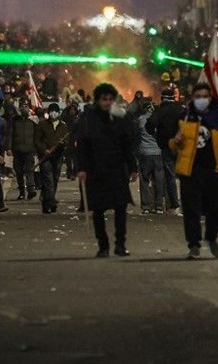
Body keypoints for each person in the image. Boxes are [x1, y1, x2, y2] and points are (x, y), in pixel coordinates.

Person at [167, 83, 218, 259]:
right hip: (190, 171)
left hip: (213, 172)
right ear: (192, 98)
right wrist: (177, 140)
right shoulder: (184, 118)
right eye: (198, 96)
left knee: (215, 208)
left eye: (205, 96)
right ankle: (194, 244)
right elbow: (172, 144)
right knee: (191, 210)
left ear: (210, 98)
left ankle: (211, 237)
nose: (202, 100)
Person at [75, 83, 137, 257]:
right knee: (98, 209)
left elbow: (127, 145)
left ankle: (120, 244)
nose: (107, 103)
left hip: (117, 169)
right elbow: (82, 145)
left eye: (110, 99)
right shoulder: (88, 118)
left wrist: (132, 168)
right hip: (96, 170)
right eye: (104, 99)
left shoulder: (120, 118)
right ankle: (103, 245)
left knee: (120, 208)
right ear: (97, 100)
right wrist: (82, 168)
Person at [146, 88, 182, 212]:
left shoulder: (160, 110)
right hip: (182, 146)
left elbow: (150, 124)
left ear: (162, 98)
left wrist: (156, 136)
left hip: (166, 146)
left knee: (170, 175)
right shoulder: (181, 109)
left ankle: (174, 203)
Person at [34, 102, 69, 214]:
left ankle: (47, 201)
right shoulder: (42, 125)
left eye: (55, 111)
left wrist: (63, 144)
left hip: (58, 157)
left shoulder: (63, 126)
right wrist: (45, 150)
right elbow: (37, 140)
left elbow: (67, 140)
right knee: (48, 179)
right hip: (45, 157)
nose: (53, 113)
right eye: (51, 111)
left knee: (54, 179)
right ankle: (51, 202)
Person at [134, 100, 165, 214]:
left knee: (144, 180)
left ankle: (146, 206)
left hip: (145, 153)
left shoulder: (140, 120)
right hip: (158, 153)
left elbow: (136, 137)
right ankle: (159, 206)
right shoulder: (158, 120)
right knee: (159, 180)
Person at [8, 103, 38, 200]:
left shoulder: (32, 122)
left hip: (29, 150)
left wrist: (37, 148)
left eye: (26, 107)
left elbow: (36, 136)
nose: (24, 109)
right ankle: (22, 192)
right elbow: (10, 135)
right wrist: (9, 148)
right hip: (17, 150)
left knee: (29, 170)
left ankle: (30, 190)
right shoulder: (14, 121)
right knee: (19, 172)